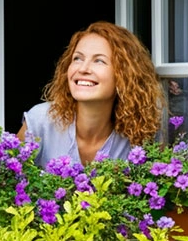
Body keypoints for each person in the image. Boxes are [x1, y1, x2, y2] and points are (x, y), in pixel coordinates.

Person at [17, 21, 166, 167]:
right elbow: (8, 180)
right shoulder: (40, 122)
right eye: (77, 58)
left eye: (99, 61)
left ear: (125, 75)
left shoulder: (142, 134)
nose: (83, 68)